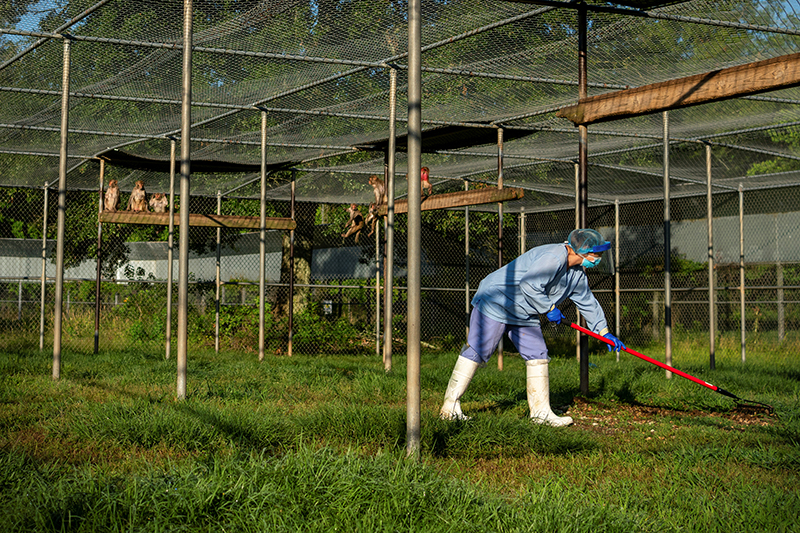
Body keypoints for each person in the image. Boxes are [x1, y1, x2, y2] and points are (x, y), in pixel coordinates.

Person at [440, 228, 626, 426]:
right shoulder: (554, 257)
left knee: (538, 354)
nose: (598, 259)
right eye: (596, 254)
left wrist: (604, 332)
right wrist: (549, 308)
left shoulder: (577, 274)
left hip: (524, 310)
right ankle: (450, 407)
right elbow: (529, 284)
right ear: (581, 251)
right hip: (497, 300)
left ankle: (541, 413)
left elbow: (587, 301)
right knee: (478, 350)